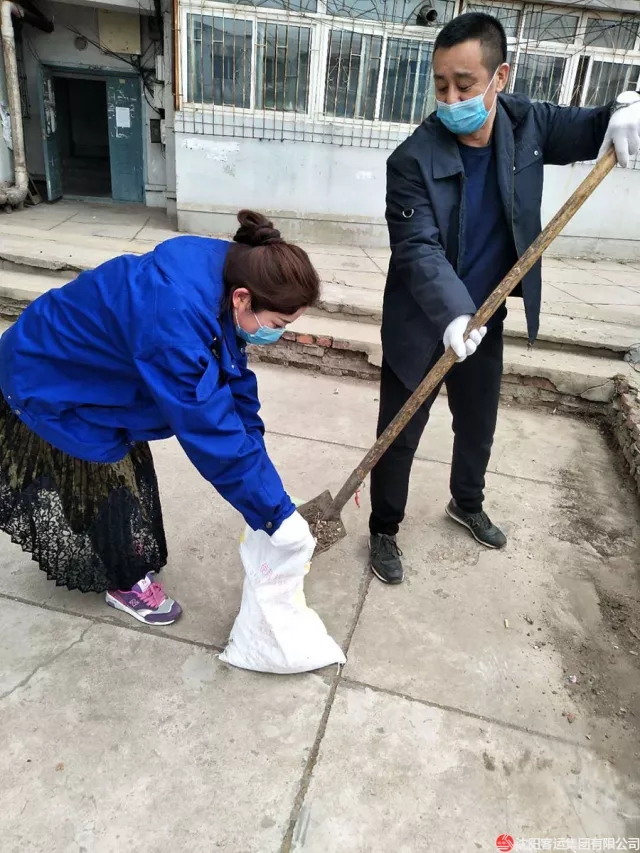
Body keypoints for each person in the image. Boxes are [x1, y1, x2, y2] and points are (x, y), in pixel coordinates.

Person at [369, 12, 640, 585]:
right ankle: (384, 528)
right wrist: (452, 313)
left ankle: (466, 504)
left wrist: (627, 105)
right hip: (424, 320)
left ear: (501, 77)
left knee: (477, 425)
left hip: (487, 317)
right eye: (441, 84)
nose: (450, 99)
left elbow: (596, 125)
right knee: (398, 435)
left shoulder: (528, 124)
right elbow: (417, 249)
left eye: (464, 84)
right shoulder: (412, 160)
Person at [0, 210, 319, 624]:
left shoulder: (225, 271)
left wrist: (266, 486)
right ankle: (123, 581)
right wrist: (273, 513)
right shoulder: (173, 322)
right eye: (278, 323)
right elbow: (209, 428)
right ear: (243, 299)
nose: (278, 333)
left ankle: (123, 557)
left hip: (91, 367)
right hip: (50, 379)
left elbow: (233, 381)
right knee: (101, 475)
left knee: (124, 467)